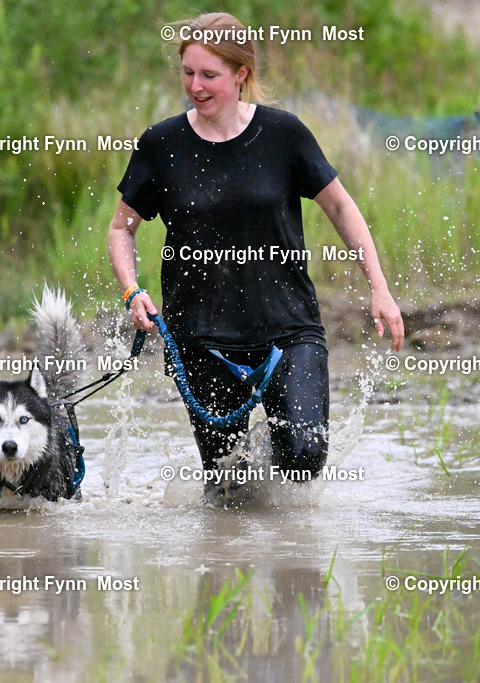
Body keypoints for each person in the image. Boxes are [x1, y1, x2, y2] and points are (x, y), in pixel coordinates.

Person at [107, 12, 404, 490]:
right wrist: (131, 289)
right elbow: (121, 228)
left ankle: (271, 453)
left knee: (304, 455)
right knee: (228, 487)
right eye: (188, 72)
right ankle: (249, 491)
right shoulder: (161, 144)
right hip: (201, 335)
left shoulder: (284, 135)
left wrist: (380, 287)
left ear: (241, 73)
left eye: (209, 75)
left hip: (288, 328)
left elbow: (341, 207)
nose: (195, 86)